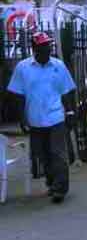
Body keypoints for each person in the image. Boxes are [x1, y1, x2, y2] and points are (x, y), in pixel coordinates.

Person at [7, 32, 76, 203]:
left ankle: (60, 189)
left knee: (58, 153)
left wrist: (70, 112)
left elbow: (67, 91)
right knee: (42, 154)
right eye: (44, 46)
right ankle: (52, 182)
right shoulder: (23, 68)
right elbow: (17, 95)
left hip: (56, 117)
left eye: (49, 46)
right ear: (35, 49)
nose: (48, 49)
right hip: (35, 119)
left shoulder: (58, 66)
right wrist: (22, 119)